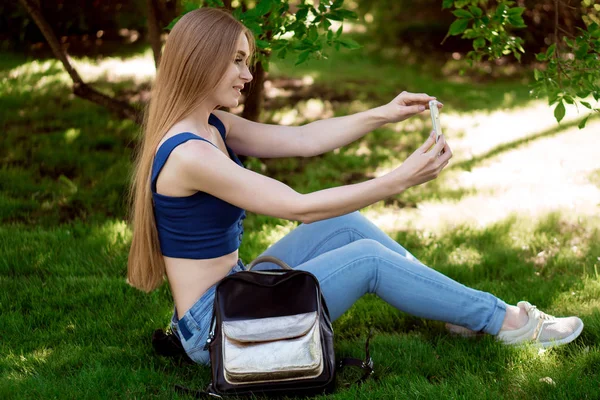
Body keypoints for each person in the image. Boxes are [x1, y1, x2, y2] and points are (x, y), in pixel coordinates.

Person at [127, 8, 584, 365]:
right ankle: (506, 321)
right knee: (368, 259)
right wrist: (397, 180)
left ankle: (460, 310)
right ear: (202, 61)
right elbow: (298, 207)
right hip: (219, 330)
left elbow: (304, 139)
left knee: (347, 225)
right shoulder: (190, 155)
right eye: (237, 62)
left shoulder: (212, 126)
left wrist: (384, 112)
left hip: (237, 293)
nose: (248, 75)